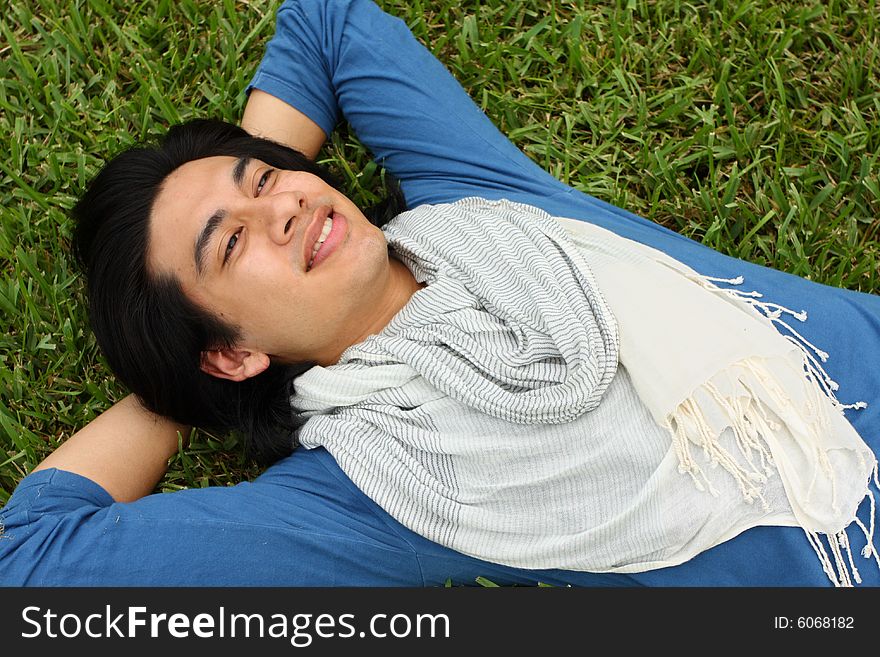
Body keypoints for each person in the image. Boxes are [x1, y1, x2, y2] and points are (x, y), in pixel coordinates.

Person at [1, 0, 878, 586]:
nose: (286, 204)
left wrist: (240, 186)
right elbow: (29, 563)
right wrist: (177, 384)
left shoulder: (468, 198)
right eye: (229, 243)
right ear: (232, 352)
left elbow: (327, 20)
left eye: (266, 177)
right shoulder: (369, 490)